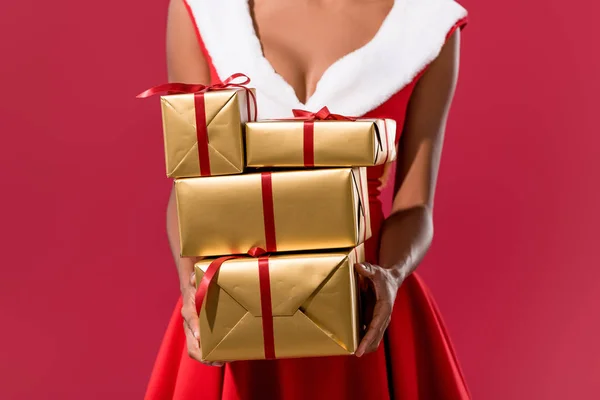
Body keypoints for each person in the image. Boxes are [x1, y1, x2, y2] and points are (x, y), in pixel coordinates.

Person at [145, 0, 470, 398]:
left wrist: (391, 274)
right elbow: (191, 188)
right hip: (236, 300)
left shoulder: (427, 23)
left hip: (363, 306)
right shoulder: (206, 8)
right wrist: (190, 293)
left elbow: (415, 204)